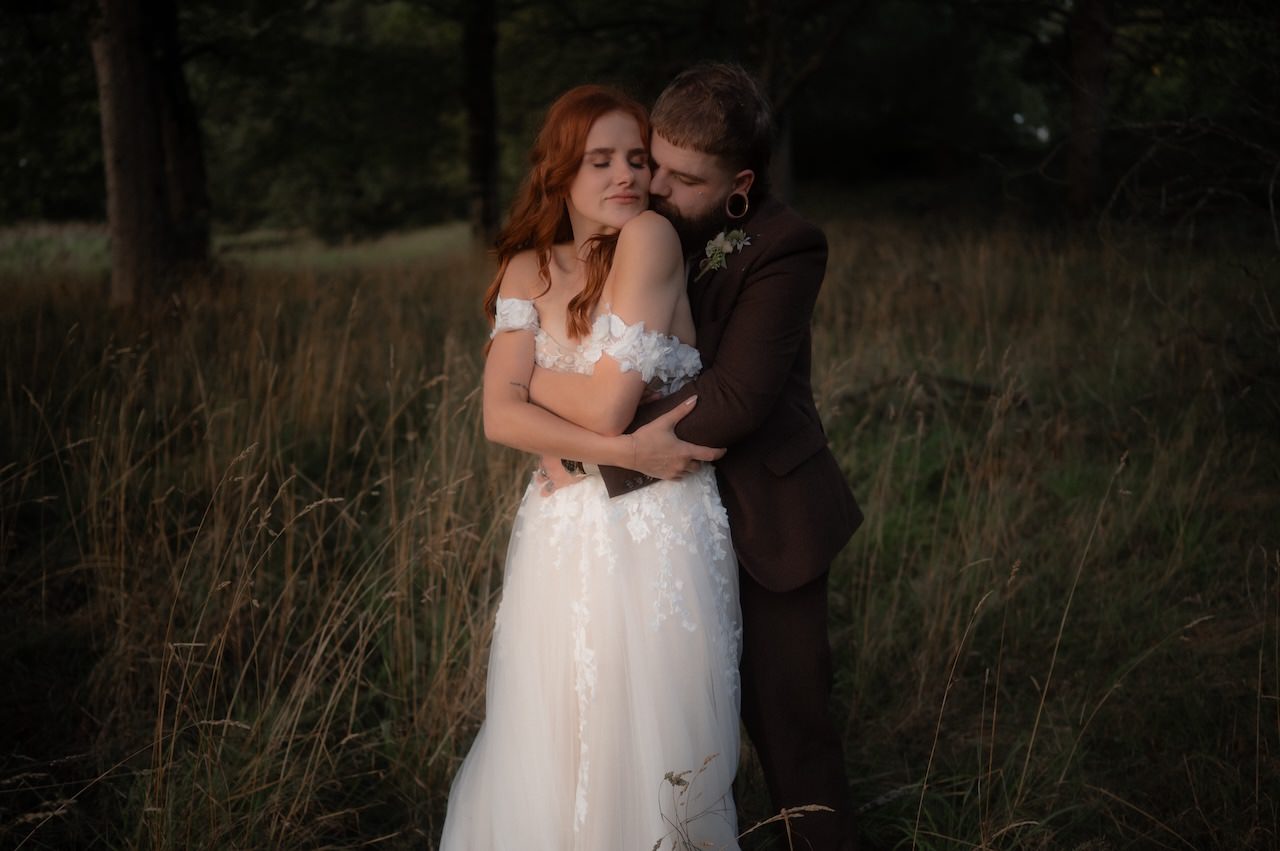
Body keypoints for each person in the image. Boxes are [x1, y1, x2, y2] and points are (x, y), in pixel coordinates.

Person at [529, 64, 865, 850]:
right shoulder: (630, 229)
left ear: (739, 182)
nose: (656, 189)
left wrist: (589, 456)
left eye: (685, 180)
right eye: (653, 164)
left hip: (767, 515)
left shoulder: (785, 247)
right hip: (666, 527)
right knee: (671, 723)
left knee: (792, 726)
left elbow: (736, 398)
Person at [439, 85, 743, 850]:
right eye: (600, 160)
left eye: (637, 159)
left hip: (654, 525)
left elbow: (605, 403)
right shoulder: (526, 268)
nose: (626, 176)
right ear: (560, 174)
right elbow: (497, 419)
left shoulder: (650, 240)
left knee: (645, 736)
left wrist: (527, 385)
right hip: (559, 529)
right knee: (553, 729)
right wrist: (617, 451)